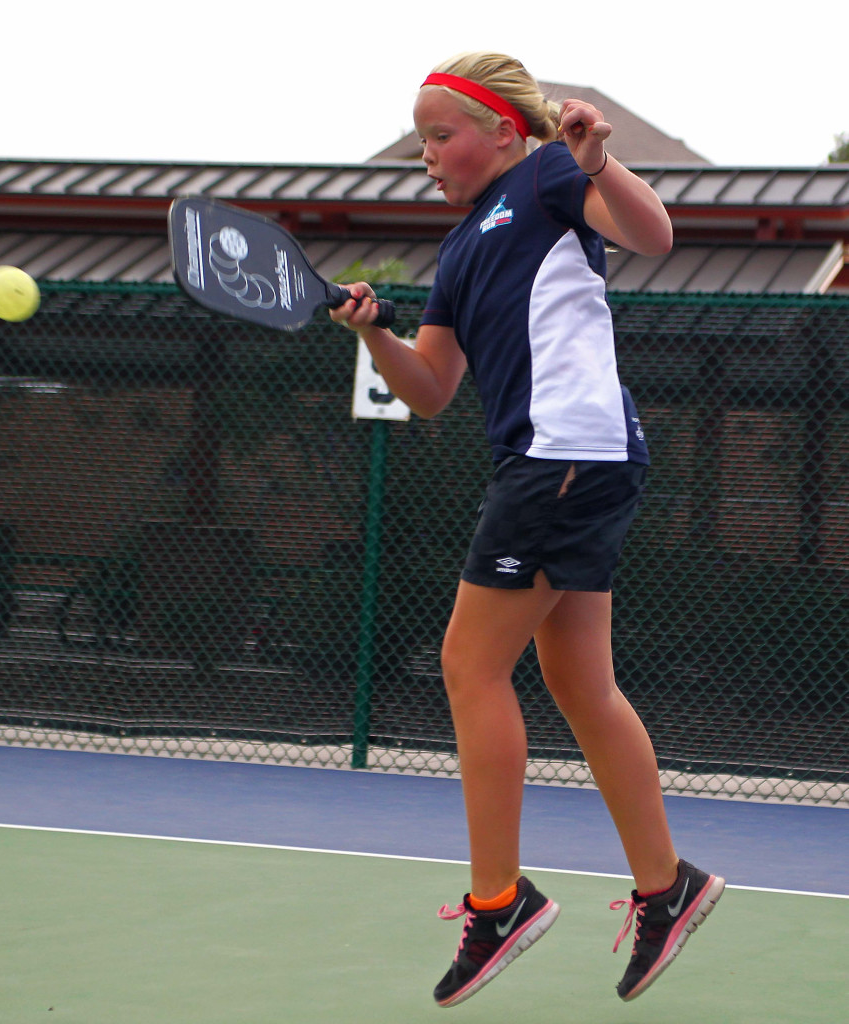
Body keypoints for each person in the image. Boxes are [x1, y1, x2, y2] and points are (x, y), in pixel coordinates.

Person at [330, 51, 724, 1007]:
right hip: (560, 461)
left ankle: (498, 901)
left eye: (440, 133)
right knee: (578, 678)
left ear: (505, 132)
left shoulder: (549, 175)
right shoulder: (461, 250)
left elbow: (654, 234)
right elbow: (429, 393)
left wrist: (595, 162)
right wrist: (375, 332)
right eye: (421, 138)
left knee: (470, 664)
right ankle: (669, 888)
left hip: (566, 456)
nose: (426, 153)